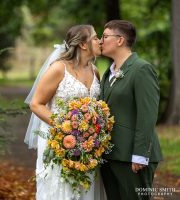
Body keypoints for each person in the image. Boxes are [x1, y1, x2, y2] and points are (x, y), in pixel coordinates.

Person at [24, 25, 106, 200]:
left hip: (86, 144)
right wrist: (65, 129)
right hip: (58, 140)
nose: (100, 41)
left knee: (84, 187)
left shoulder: (95, 71)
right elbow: (36, 104)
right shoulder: (58, 69)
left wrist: (89, 133)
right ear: (83, 45)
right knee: (61, 189)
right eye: (95, 38)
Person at [99, 20, 163, 200]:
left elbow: (147, 115)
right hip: (110, 155)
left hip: (132, 158)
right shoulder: (108, 73)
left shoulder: (142, 69)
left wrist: (140, 154)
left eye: (104, 36)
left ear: (120, 40)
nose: (100, 41)